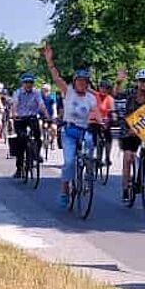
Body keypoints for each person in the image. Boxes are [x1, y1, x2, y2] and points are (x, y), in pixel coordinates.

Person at [43, 45, 101, 208]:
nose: (82, 84)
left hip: (83, 131)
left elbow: (96, 112)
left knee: (90, 148)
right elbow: (56, 79)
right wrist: (50, 62)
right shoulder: (68, 92)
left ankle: (88, 175)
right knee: (69, 162)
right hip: (69, 131)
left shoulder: (90, 97)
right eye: (79, 81)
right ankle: (65, 190)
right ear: (75, 82)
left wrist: (102, 122)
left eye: (84, 82)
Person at [115, 66, 145, 198]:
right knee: (128, 158)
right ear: (137, 82)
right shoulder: (131, 92)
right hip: (128, 130)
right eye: (142, 81)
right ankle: (126, 188)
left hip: (144, 130)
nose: (144, 84)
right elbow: (116, 93)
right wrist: (119, 81)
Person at [9, 72, 49, 173]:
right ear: (23, 83)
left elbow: (41, 105)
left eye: (31, 82)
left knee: (37, 136)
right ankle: (19, 167)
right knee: (20, 140)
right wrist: (14, 114)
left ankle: (36, 154)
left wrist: (47, 116)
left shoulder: (36, 92)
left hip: (32, 117)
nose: (29, 84)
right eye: (26, 82)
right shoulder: (18, 92)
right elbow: (15, 104)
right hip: (20, 118)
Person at [92, 79, 116, 167]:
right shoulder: (95, 96)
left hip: (105, 122)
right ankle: (96, 157)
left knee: (108, 138)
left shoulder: (110, 99)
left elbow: (113, 111)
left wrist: (113, 117)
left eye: (106, 88)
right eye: (102, 88)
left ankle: (107, 157)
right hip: (94, 121)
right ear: (99, 88)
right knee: (95, 137)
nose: (104, 90)